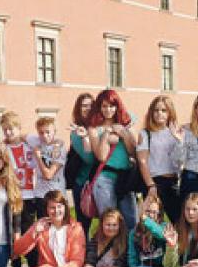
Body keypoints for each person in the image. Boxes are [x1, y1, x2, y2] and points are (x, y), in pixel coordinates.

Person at [89, 89, 139, 228]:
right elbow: (101, 156)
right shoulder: (94, 129)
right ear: (99, 107)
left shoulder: (127, 124)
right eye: (104, 106)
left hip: (125, 179)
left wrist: (124, 134)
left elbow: (133, 151)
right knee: (109, 222)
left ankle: (128, 244)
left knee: (131, 222)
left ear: (117, 106)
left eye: (111, 106)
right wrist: (106, 135)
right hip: (104, 178)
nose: (108, 110)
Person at [2, 111, 39, 267]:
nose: (8, 132)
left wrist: (24, 136)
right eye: (5, 129)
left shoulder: (28, 146)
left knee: (29, 232)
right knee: (12, 234)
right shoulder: (4, 149)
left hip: (29, 195)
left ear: (19, 128)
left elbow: (42, 140)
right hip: (12, 196)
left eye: (11, 129)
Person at [137, 95, 184, 223]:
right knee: (152, 223)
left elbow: (180, 160)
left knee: (179, 222)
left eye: (164, 110)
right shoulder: (145, 133)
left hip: (172, 182)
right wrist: (151, 185)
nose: (159, 113)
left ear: (170, 112)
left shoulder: (176, 132)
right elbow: (142, 161)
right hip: (154, 182)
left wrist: (180, 141)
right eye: (156, 110)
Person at [67, 93, 97, 234]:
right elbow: (89, 158)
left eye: (91, 105)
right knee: (83, 225)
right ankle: (83, 248)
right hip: (83, 183)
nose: (88, 108)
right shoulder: (75, 133)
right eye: (84, 105)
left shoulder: (99, 127)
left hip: (101, 181)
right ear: (78, 109)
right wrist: (85, 137)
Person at [31, 116, 67, 217]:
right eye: (41, 133)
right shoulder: (38, 144)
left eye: (48, 132)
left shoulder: (59, 148)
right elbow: (22, 136)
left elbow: (48, 175)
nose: (45, 135)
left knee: (57, 224)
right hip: (40, 194)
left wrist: (38, 158)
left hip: (56, 194)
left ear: (54, 131)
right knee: (43, 224)